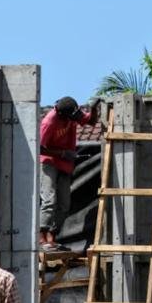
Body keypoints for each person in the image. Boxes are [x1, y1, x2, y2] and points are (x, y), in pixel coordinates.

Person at [38, 95, 101, 252]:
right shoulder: (49, 122)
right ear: (62, 115)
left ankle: (52, 236)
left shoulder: (72, 113)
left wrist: (93, 108)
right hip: (48, 162)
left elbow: (91, 122)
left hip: (65, 164)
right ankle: (41, 238)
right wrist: (62, 153)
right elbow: (39, 147)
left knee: (64, 204)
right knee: (49, 200)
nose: (74, 120)